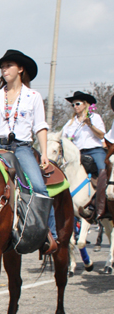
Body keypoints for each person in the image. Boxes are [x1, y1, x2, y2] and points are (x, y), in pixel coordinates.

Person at [0, 49, 57, 254]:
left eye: (8, 66)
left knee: (39, 187)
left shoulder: (33, 96)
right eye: (2, 67)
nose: (4, 70)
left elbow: (40, 126)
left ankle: (49, 234)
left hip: (21, 148)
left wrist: (44, 152)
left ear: (20, 69)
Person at [61, 91, 110, 222]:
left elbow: (101, 135)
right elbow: (62, 137)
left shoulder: (95, 117)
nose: (75, 107)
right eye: (73, 105)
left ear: (85, 104)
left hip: (95, 151)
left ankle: (103, 204)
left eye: (77, 104)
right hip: (78, 154)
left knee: (103, 172)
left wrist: (90, 124)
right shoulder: (70, 123)